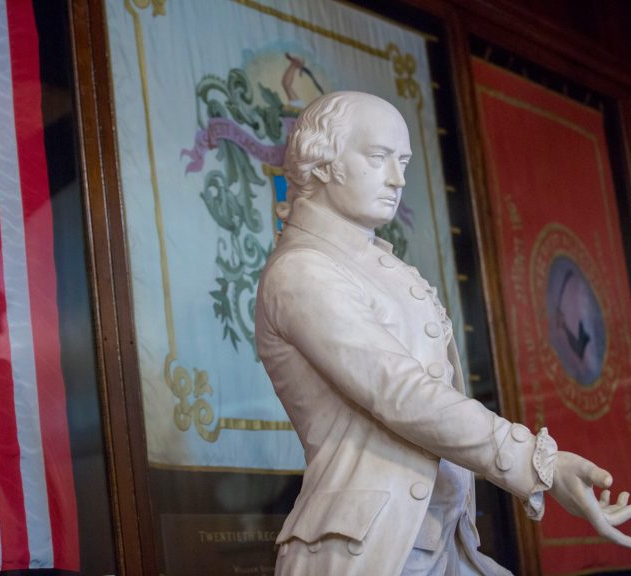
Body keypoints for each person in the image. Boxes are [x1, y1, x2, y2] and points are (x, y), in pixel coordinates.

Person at [255, 91, 631, 575]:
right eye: (378, 157)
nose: (397, 179)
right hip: (369, 551)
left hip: (441, 544)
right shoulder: (302, 272)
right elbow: (400, 393)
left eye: (404, 161)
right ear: (323, 162)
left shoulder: (374, 266)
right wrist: (541, 465)